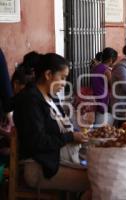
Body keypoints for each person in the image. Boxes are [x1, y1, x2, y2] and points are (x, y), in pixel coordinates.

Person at [13, 53, 90, 195]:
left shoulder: (50, 98)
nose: (64, 82)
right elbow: (37, 141)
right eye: (62, 77)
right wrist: (70, 137)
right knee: (95, 180)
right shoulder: (30, 101)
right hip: (39, 166)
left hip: (57, 157)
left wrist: (78, 133)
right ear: (48, 74)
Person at [91, 47, 118, 127]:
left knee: (97, 119)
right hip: (104, 98)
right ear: (110, 59)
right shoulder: (106, 71)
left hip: (96, 96)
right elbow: (113, 86)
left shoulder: (95, 68)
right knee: (104, 125)